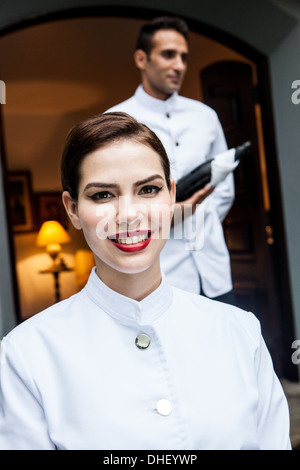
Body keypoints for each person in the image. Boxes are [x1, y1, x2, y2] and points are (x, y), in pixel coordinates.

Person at [0, 113, 291, 450]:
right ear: (73, 210)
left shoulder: (241, 332)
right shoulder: (25, 355)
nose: (128, 215)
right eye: (103, 195)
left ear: (171, 196)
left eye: (148, 189)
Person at [106, 16, 235, 304]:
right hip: (160, 276)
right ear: (141, 58)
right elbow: (114, 201)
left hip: (215, 270)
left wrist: (199, 218)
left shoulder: (206, 117)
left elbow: (224, 189)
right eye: (168, 55)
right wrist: (169, 219)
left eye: (183, 57)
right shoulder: (115, 123)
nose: (179, 65)